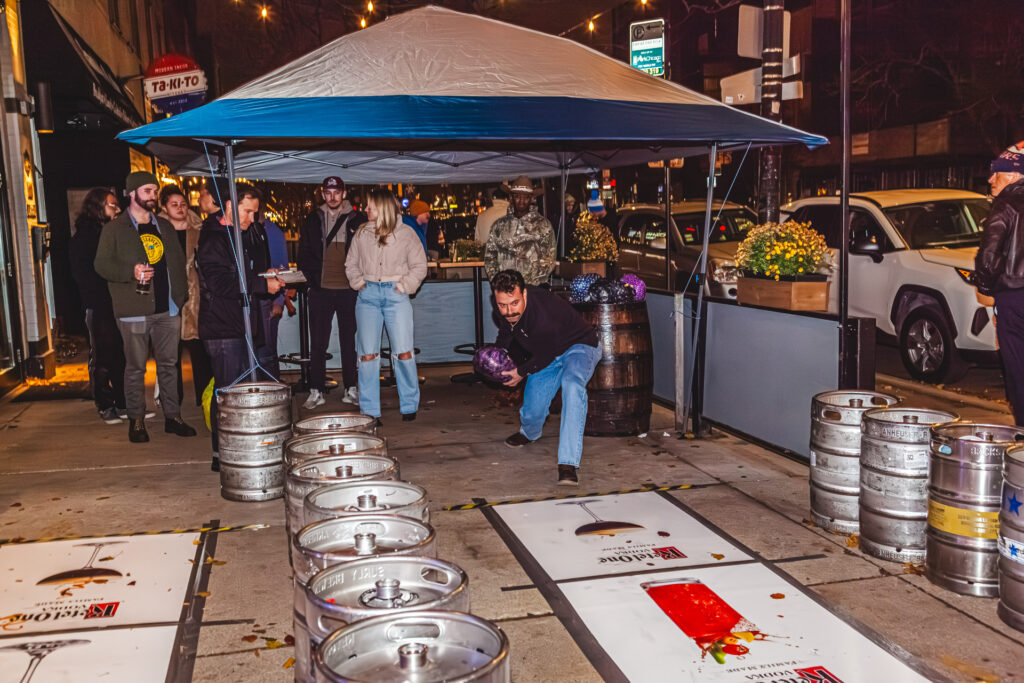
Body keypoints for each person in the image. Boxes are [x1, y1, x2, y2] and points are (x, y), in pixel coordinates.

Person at [94, 171, 196, 443]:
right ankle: (136, 419)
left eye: (155, 191)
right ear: (132, 193)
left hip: (168, 309)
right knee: (136, 368)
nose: (153, 196)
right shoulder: (114, 229)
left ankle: (173, 417)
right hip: (133, 309)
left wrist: (180, 296)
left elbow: (178, 262)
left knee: (169, 366)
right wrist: (131, 272)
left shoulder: (163, 226)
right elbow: (101, 265)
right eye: (147, 191)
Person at [196, 182, 284, 471]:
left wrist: (266, 275)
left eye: (255, 212)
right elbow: (220, 282)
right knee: (227, 392)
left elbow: (248, 272)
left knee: (244, 390)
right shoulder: (213, 238)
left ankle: (241, 446)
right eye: (247, 211)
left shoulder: (246, 232)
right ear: (230, 206)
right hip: (222, 327)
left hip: (244, 322)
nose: (252, 218)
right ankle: (221, 453)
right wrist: (261, 284)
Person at [490, 269, 601, 486]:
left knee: (572, 385)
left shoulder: (543, 312)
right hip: (547, 353)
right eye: (502, 305)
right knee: (533, 408)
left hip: (579, 346)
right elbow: (506, 332)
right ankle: (529, 433)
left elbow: (546, 352)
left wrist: (521, 372)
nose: (509, 311)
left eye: (514, 303)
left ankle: (568, 462)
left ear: (524, 293)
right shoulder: (504, 307)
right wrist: (497, 356)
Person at [345, 188, 427, 422]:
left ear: (382, 208)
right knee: (367, 355)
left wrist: (404, 286)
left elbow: (420, 266)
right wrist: (359, 283)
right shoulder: (362, 233)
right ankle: (370, 411)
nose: (365, 209)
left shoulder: (406, 233)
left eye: (370, 205)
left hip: (395, 296)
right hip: (368, 297)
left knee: (404, 352)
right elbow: (350, 264)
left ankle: (409, 405)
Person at [298, 176, 366, 409]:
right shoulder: (313, 219)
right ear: (322, 194)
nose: (333, 196)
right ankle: (316, 390)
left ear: (344, 193)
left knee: (349, 342)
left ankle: (351, 388)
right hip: (321, 291)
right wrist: (311, 282)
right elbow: (304, 252)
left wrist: (360, 281)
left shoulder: (358, 219)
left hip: (349, 290)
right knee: (318, 343)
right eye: (328, 192)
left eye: (337, 192)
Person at [975, 141, 1024, 425]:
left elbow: (988, 256)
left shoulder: (1005, 205)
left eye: (998, 172)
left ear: (1015, 175)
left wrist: (986, 289)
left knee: (1017, 368)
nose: (991, 178)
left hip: (1014, 299)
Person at [69, 187, 126, 424]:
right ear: (98, 207)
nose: (117, 208)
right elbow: (83, 275)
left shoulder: (112, 232)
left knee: (121, 355)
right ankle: (105, 404)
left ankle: (123, 403)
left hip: (116, 303)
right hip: (98, 305)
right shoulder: (85, 237)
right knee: (103, 356)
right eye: (112, 204)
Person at [160, 184, 212, 407]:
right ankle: (173, 402)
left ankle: (206, 400)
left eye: (183, 204)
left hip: (196, 298)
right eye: (174, 204)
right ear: (164, 207)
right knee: (170, 355)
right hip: (169, 298)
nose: (180, 208)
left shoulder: (200, 229)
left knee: (200, 352)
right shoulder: (157, 231)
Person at [484, 175, 556, 285]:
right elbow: (490, 257)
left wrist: (536, 284)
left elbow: (549, 259)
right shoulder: (498, 226)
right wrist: (498, 283)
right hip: (505, 288)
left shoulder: (543, 225)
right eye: (517, 196)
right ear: (511, 197)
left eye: (526, 197)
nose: (521, 201)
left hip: (532, 288)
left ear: (531, 198)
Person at [260, 211, 290, 380]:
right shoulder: (244, 229)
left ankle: (272, 386)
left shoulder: (272, 231)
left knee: (267, 352)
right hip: (252, 300)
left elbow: (282, 268)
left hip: (269, 298)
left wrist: (279, 300)